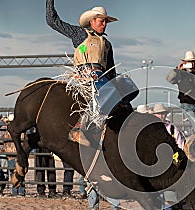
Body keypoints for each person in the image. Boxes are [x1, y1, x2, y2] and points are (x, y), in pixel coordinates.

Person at [46, 0, 134, 146]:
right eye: (101, 21)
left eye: (105, 21)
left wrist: (118, 87)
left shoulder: (107, 44)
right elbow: (53, 21)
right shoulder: (81, 34)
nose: (104, 24)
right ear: (92, 21)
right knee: (107, 89)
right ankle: (78, 128)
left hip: (102, 77)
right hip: (87, 76)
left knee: (128, 92)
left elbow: (111, 70)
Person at [150, 103, 186, 210]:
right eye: (159, 113)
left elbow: (181, 147)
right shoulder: (150, 130)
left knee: (169, 200)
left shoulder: (173, 129)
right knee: (155, 199)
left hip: (170, 169)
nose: (161, 115)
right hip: (154, 169)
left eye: (163, 113)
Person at [4, 114, 25, 197]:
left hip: (17, 155)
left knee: (20, 172)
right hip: (11, 155)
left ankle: (20, 190)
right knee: (13, 173)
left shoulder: (20, 132)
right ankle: (15, 190)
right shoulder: (7, 132)